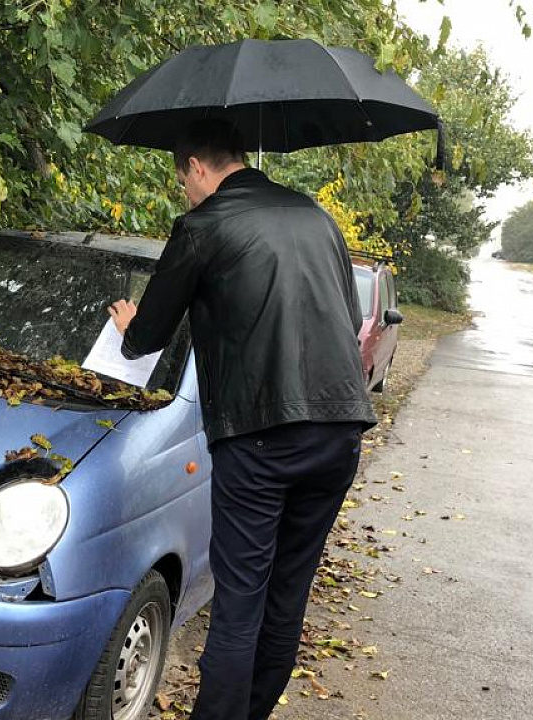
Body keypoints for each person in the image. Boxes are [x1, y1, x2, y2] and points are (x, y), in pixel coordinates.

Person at [106, 119, 376, 720]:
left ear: (197, 167)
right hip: (341, 432)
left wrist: (129, 328)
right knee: (287, 593)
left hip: (260, 439)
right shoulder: (317, 218)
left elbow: (148, 335)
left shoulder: (203, 226)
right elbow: (349, 318)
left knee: (240, 602)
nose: (185, 193)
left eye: (183, 181)